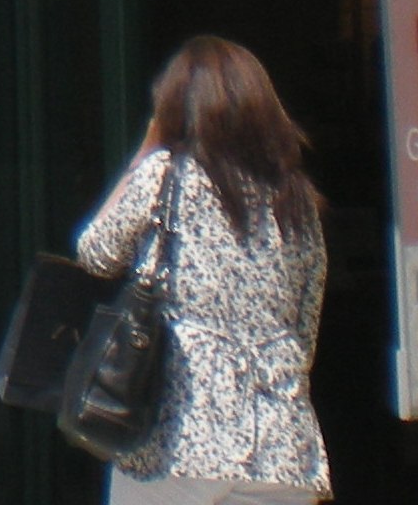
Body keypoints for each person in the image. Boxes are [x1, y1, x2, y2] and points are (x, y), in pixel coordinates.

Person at [77, 36, 330, 505]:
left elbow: (95, 252)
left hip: (178, 435)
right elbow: (305, 326)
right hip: (280, 443)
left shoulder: (165, 175)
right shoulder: (295, 199)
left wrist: (143, 155)